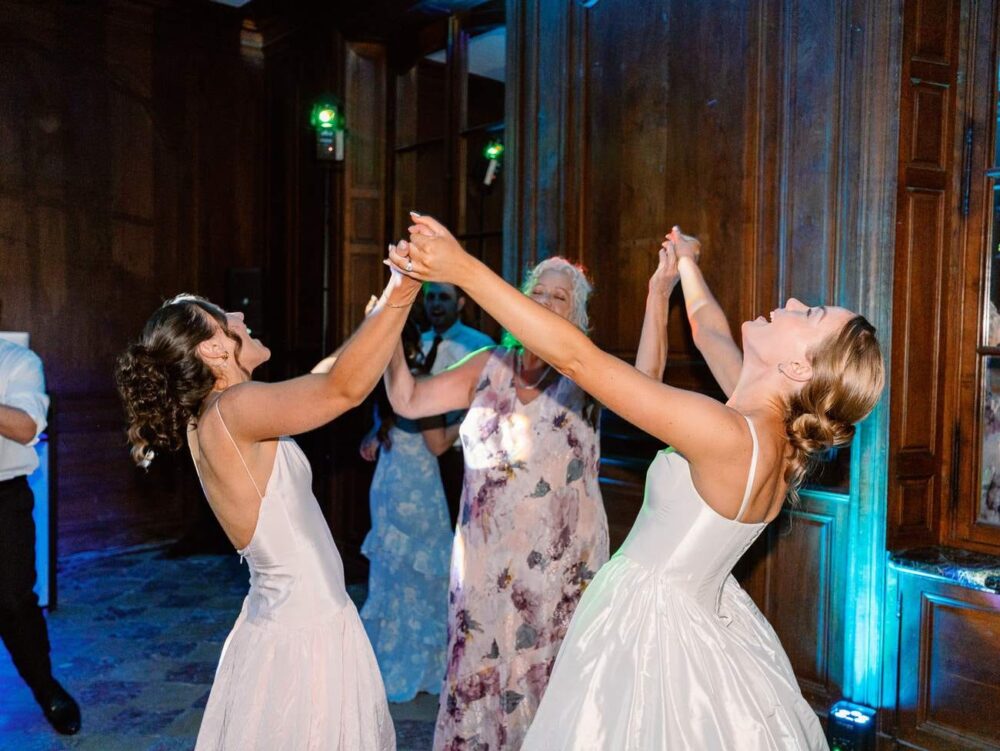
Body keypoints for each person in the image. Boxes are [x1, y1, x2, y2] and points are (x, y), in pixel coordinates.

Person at [391, 213, 885, 750]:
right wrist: (687, 264)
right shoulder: (779, 434)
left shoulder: (723, 432)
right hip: (698, 613)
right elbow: (708, 329)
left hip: (647, 629)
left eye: (808, 314)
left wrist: (463, 268)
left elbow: (578, 358)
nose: (791, 303)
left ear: (797, 368)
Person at [114, 263, 420, 751]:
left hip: (292, 621)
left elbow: (325, 375)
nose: (238, 313)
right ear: (214, 349)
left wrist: (381, 314)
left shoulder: (219, 413)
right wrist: (404, 291)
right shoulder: (234, 409)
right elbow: (343, 389)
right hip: (304, 637)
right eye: (223, 317)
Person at [384, 257, 611, 751]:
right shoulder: (487, 365)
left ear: (577, 317)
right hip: (486, 569)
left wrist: (659, 297)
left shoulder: (587, 371)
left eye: (560, 297)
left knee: (549, 683)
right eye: (538, 293)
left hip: (560, 572)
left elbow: (650, 378)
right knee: (482, 679)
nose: (546, 303)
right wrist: (387, 327)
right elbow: (406, 400)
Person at [349, 315, 456, 703]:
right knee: (424, 576)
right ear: (414, 345)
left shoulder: (384, 377)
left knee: (394, 575)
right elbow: (439, 446)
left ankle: (390, 658)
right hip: (419, 491)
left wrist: (374, 434)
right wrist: (468, 415)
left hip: (389, 485)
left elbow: (388, 423)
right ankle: (423, 666)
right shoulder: (419, 385)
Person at [0, 337, 81, 735]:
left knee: (14, 602)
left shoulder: (17, 360)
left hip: (3, 497)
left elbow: (26, 426)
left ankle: (47, 689)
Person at [419, 282, 494, 528]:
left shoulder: (479, 345)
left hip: (460, 453)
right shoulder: (418, 343)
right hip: (417, 453)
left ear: (459, 303)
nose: (436, 304)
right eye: (431, 298)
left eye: (444, 297)